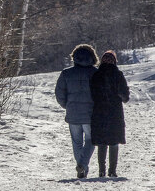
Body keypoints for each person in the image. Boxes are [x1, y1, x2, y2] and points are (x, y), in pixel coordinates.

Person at [55, 44, 99, 179]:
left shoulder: (66, 73)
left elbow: (59, 93)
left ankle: (81, 167)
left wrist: (67, 105)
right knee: (91, 140)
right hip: (90, 113)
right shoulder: (95, 73)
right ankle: (82, 164)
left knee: (76, 142)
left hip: (73, 112)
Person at [90, 50, 129, 178]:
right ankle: (112, 171)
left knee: (101, 142)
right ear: (115, 61)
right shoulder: (118, 75)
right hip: (114, 113)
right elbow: (125, 97)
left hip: (99, 112)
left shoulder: (96, 75)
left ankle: (101, 170)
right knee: (114, 142)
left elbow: (92, 94)